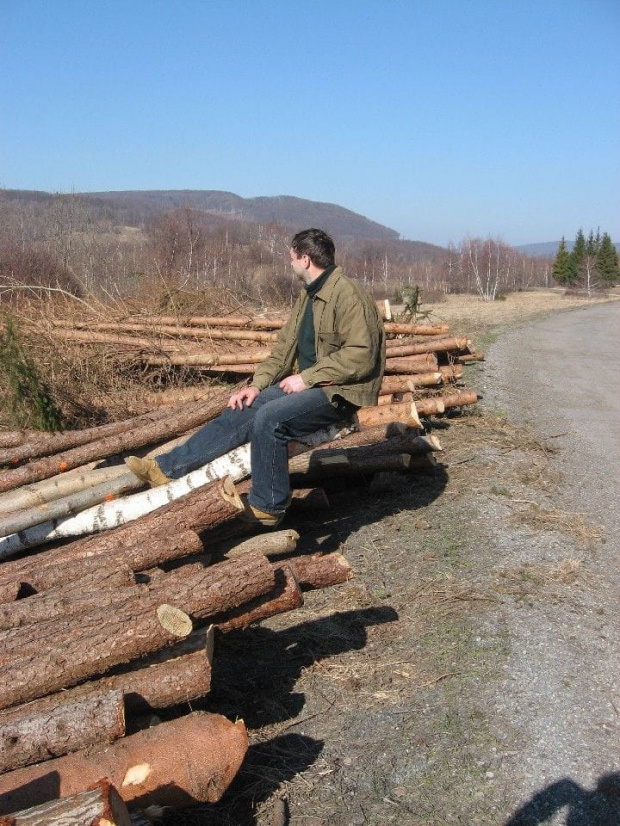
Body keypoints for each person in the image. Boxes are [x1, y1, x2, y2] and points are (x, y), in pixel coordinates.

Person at [125, 228, 386, 527]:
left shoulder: (349, 296)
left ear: (305, 259)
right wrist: (256, 386)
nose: (289, 264)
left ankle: (269, 506)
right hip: (312, 386)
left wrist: (308, 378)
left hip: (339, 393)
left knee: (270, 419)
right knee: (245, 407)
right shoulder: (307, 298)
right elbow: (283, 350)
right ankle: (166, 469)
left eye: (291, 257)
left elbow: (361, 355)